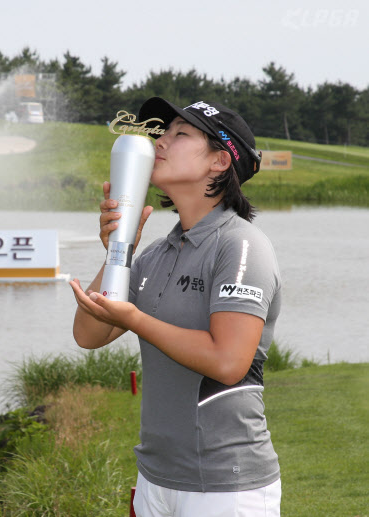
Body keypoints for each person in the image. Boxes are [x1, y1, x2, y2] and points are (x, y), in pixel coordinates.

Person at [70, 98, 281, 517]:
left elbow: (227, 362)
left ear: (220, 162)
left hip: (223, 485)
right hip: (155, 479)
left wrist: (136, 319)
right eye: (162, 133)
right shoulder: (154, 254)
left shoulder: (240, 246)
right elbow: (88, 335)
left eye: (180, 134)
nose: (159, 142)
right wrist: (120, 247)